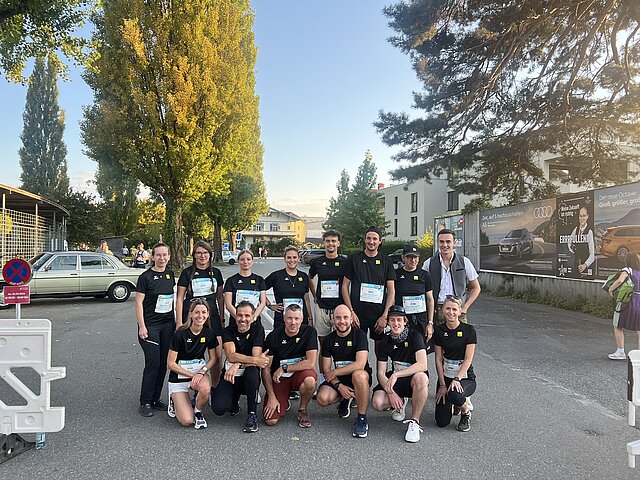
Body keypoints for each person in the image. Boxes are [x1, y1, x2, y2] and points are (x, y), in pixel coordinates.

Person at [371, 305, 429, 443]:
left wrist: (396, 375)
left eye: (399, 320)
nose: (396, 323)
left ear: (405, 321)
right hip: (396, 379)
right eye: (392, 320)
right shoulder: (385, 340)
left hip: (413, 378)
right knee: (377, 403)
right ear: (388, 322)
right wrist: (391, 393)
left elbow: (422, 364)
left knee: (421, 378)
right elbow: (380, 372)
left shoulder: (415, 336)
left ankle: (414, 421)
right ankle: (400, 402)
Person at [210, 301, 268, 432]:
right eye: (240, 315)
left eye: (247, 316)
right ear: (235, 316)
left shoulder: (258, 329)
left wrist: (238, 363)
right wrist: (237, 362)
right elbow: (231, 355)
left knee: (252, 372)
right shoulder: (227, 331)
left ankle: (252, 414)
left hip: (248, 373)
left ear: (253, 317)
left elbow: (257, 358)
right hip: (231, 374)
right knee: (219, 409)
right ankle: (233, 402)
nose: (243, 319)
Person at [316, 304, 371, 438]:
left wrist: (335, 373)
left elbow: (360, 363)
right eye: (338, 318)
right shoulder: (329, 340)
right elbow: (326, 369)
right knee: (322, 398)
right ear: (333, 320)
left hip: (359, 377)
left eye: (345, 317)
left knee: (359, 375)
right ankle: (346, 398)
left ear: (351, 319)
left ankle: (362, 419)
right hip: (341, 380)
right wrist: (339, 386)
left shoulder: (360, 335)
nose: (342, 321)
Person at [135, 242, 175, 417]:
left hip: (167, 324)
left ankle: (155, 398)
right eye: (158, 255)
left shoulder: (170, 274)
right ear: (152, 257)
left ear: (169, 256)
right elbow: (138, 302)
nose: (162, 258)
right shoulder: (146, 277)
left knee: (163, 363)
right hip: (150, 325)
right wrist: (142, 326)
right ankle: (145, 401)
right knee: (152, 362)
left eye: (165, 255)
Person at [262, 304, 318, 428]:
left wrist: (284, 368)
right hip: (279, 379)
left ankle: (302, 410)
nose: (293, 322)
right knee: (270, 420)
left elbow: (310, 362)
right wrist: (271, 395)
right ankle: (283, 399)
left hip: (298, 374)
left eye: (296, 319)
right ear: (284, 318)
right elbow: (265, 368)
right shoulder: (273, 337)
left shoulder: (309, 332)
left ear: (302, 319)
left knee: (310, 380)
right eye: (289, 318)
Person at [166, 298, 218, 429]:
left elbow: (213, 358)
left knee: (206, 388)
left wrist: (202, 371)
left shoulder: (209, 333)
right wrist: (191, 374)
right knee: (187, 421)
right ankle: (174, 399)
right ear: (190, 314)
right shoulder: (180, 334)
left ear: (208, 314)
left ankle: (198, 411)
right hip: (179, 376)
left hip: (198, 373)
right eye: (197, 312)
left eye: (203, 312)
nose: (200, 316)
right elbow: (170, 364)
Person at [342, 226, 396, 345]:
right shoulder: (354, 259)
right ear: (364, 239)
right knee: (358, 348)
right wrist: (351, 312)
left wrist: (385, 315)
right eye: (369, 238)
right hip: (357, 314)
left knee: (380, 350)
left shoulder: (386, 262)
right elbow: (345, 286)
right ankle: (362, 365)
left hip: (378, 315)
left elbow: (391, 290)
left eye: (375, 239)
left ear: (380, 241)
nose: (371, 242)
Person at [433, 295, 477, 432]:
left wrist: (457, 378)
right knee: (441, 421)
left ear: (459, 311)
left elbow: (468, 358)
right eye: (447, 309)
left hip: (464, 378)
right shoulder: (439, 331)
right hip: (446, 376)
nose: (450, 312)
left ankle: (465, 411)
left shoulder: (469, 331)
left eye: (454, 309)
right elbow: (438, 359)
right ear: (442, 310)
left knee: (455, 394)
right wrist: (442, 384)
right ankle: (455, 403)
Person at [422, 228, 480, 325]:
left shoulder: (464, 262)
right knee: (437, 340)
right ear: (438, 243)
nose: (445, 245)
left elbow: (476, 288)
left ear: (454, 243)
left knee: (460, 339)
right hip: (437, 310)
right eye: (441, 242)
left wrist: (465, 307)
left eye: (448, 242)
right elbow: (421, 287)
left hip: (458, 310)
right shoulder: (429, 263)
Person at [309, 230, 347, 343]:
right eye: (328, 241)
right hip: (322, 308)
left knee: (340, 344)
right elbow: (310, 277)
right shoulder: (318, 262)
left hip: (339, 307)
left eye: (334, 241)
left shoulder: (345, 262)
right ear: (324, 243)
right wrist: (315, 294)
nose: (331, 244)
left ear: (338, 243)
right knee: (323, 344)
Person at [394, 243, 435, 346]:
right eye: (409, 257)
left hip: (420, 320)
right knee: (402, 350)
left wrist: (430, 323)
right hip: (402, 320)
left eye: (415, 257)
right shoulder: (396, 274)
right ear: (403, 258)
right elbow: (390, 296)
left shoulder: (424, 275)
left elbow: (430, 300)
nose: (413, 260)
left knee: (420, 349)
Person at [265, 246, 314, 329]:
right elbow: (259, 289)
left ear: (298, 259)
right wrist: (270, 306)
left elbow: (306, 299)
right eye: (289, 257)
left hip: (300, 319)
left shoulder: (304, 276)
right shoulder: (276, 276)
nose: (292, 260)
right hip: (282, 319)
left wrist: (310, 318)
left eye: (294, 257)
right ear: (284, 259)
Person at [608, 251, 640, 359]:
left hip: (627, 301)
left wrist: (611, 289)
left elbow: (620, 280)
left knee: (617, 325)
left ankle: (620, 352)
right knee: (639, 328)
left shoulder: (627, 270)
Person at [223, 249, 267, 327]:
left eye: (248, 259)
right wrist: (239, 318)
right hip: (236, 322)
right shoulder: (231, 280)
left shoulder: (259, 280)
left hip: (254, 322)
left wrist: (253, 318)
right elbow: (228, 305)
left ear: (252, 261)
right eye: (242, 259)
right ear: (238, 261)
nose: (245, 262)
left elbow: (263, 302)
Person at [567, 206, 595, 277]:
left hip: (585, 268)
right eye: (580, 216)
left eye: (584, 216)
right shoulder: (576, 229)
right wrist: (573, 250)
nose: (582, 218)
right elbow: (569, 242)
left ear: (587, 216)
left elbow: (592, 254)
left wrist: (585, 265)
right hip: (576, 265)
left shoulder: (589, 232)